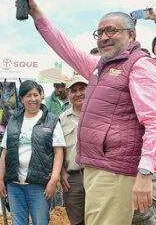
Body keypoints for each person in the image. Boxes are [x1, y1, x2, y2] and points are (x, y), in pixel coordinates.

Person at [22, 0, 156, 224]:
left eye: (111, 31)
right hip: (97, 169)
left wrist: (145, 172)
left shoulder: (139, 65)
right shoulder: (99, 68)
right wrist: (38, 15)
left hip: (118, 172)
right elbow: (66, 49)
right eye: (99, 33)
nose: (103, 37)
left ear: (131, 34)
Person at [0, 80, 65, 225]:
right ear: (21, 99)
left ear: (42, 96)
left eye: (36, 94)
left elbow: (58, 153)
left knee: (40, 222)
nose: (33, 99)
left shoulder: (51, 121)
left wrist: (53, 181)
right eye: (28, 95)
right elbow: (4, 152)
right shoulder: (14, 120)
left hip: (39, 185)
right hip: (14, 184)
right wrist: (0, 180)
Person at [59, 75, 88, 225]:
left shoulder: (100, 115)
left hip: (98, 175)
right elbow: (56, 151)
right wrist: (61, 172)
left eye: (82, 89)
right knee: (77, 221)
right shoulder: (61, 120)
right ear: (68, 94)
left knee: (101, 219)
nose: (78, 94)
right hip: (73, 179)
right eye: (73, 90)